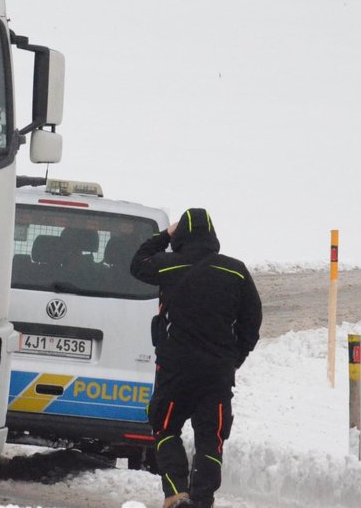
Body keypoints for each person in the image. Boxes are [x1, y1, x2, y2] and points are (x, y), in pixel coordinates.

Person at [130, 208, 262, 508]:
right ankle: (202, 500)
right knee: (210, 439)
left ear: (182, 237)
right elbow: (252, 322)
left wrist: (164, 235)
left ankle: (176, 493)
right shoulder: (235, 271)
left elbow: (136, 265)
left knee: (165, 428)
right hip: (215, 375)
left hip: (175, 373)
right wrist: (233, 357)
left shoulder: (167, 265)